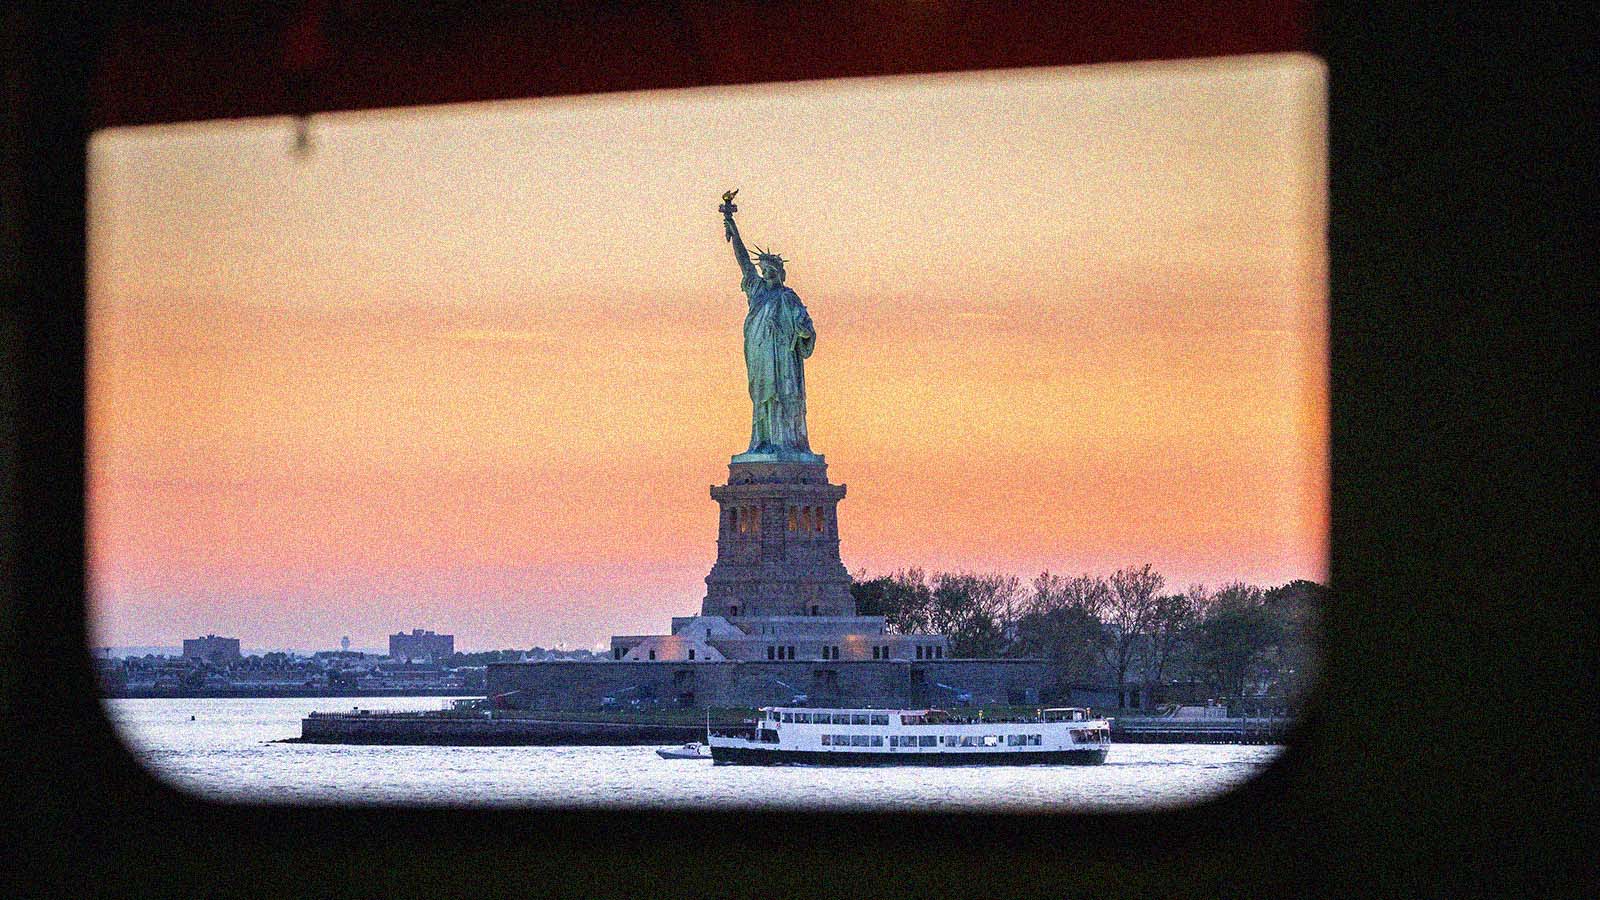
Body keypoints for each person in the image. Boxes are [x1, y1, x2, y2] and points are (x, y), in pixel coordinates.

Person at [721, 196, 816, 455]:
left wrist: (804, 331)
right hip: (761, 355)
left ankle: (786, 442)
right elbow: (744, 265)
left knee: (784, 397)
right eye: (764, 271)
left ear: (780, 273)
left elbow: (804, 325)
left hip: (783, 360)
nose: (766, 275)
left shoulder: (788, 298)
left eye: (771, 271)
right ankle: (763, 441)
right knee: (763, 398)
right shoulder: (757, 293)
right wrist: (732, 227)